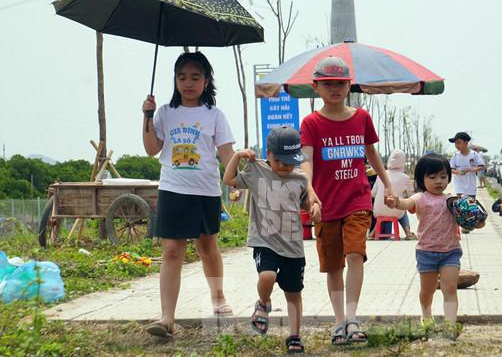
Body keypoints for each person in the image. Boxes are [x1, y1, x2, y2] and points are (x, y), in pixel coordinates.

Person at [299, 56, 393, 346]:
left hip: (357, 199)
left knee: (355, 254)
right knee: (333, 265)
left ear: (349, 85)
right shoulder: (311, 123)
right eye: (328, 84)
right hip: (326, 204)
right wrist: (310, 192)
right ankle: (339, 322)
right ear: (316, 87)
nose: (335, 89)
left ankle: (352, 318)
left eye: (340, 83)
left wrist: (387, 183)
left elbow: (372, 154)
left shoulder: (362, 118)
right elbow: (307, 160)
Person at [141, 52, 235, 338]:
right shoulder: (165, 112)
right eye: (182, 77)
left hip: (205, 190)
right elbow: (151, 148)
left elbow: (227, 154)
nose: (188, 83)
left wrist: (238, 181)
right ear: (175, 80)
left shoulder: (215, 115)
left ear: (206, 81)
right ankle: (167, 317)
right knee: (171, 252)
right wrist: (146, 116)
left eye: (195, 77)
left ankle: (218, 297)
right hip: (172, 189)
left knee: (207, 248)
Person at [223, 126, 311, 354]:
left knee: (294, 293)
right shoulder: (256, 171)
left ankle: (294, 336)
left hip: (293, 246)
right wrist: (237, 156)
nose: (285, 166)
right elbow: (229, 179)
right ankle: (263, 303)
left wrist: (315, 207)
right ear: (268, 155)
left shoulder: (300, 178)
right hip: (265, 240)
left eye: (290, 161)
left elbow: (308, 202)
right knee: (267, 275)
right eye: (280, 161)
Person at [385, 154, 461, 337]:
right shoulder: (420, 198)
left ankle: (450, 325)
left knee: (449, 288)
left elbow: (471, 220)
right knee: (427, 291)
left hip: (451, 251)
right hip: (426, 252)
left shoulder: (453, 200)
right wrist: (396, 202)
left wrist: (478, 221)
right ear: (422, 179)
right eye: (432, 177)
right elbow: (405, 203)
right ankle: (426, 315)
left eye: (443, 176)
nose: (438, 181)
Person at [370, 149, 416, 240]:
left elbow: (373, 194)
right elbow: (412, 196)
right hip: (396, 210)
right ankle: (408, 233)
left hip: (378, 210)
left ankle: (372, 234)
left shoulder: (381, 175)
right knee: (402, 207)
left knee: (383, 212)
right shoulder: (405, 177)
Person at [448, 132, 484, 233]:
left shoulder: (474, 155)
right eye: (455, 143)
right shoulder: (455, 156)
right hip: (460, 184)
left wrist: (471, 170)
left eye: (459, 143)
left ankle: (469, 225)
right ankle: (462, 225)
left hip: (471, 184)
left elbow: (482, 166)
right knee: (461, 204)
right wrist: (458, 172)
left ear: (466, 142)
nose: (457, 145)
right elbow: (451, 169)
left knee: (471, 205)